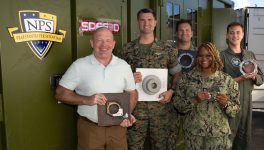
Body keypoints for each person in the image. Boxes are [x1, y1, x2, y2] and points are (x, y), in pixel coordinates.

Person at [55, 27, 137, 150]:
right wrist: (87, 100)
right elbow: (60, 93)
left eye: (108, 40)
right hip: (90, 129)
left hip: (118, 129)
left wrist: (127, 114)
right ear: (92, 43)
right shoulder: (79, 65)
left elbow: (132, 93)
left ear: (113, 44)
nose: (104, 44)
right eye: (99, 40)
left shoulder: (123, 66)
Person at [117, 8, 181, 150]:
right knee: (133, 146)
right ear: (138, 23)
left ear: (155, 22)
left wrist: (171, 91)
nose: (146, 23)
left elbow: (177, 73)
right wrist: (128, 78)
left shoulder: (167, 49)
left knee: (162, 146)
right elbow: (116, 77)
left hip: (161, 109)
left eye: (150, 19)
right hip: (135, 109)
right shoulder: (126, 49)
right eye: (142, 20)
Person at [173, 42, 240, 149]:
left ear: (215, 56)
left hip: (218, 136)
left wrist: (226, 104)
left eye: (208, 55)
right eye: (200, 55)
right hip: (193, 135)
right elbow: (177, 105)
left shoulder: (227, 80)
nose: (204, 59)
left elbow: (235, 110)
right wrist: (194, 100)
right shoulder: (186, 79)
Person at [220, 22, 264, 150]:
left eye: (238, 32)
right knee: (227, 138)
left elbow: (261, 79)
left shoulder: (250, 55)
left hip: (246, 104)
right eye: (231, 33)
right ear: (227, 35)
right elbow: (218, 84)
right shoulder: (221, 56)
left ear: (243, 35)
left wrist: (254, 76)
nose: (235, 35)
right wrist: (240, 78)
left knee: (244, 138)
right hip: (228, 104)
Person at [168, 19, 198, 149]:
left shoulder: (200, 54)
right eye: (181, 30)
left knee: (192, 139)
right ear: (176, 33)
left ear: (192, 33)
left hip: (193, 101)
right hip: (171, 101)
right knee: (170, 138)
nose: (184, 33)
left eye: (187, 30)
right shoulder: (168, 52)